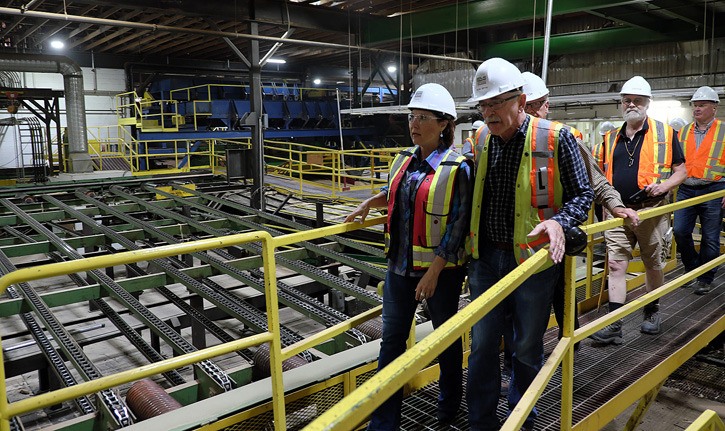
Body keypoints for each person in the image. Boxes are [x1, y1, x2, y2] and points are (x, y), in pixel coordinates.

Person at [466, 58, 593, 431]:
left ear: (520, 101)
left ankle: (522, 418)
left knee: (525, 347)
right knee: (482, 345)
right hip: (486, 258)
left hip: (533, 261)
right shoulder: (481, 139)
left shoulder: (556, 138)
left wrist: (559, 222)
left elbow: (582, 193)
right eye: (483, 105)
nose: (489, 113)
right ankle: (481, 422)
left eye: (497, 103)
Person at [345, 82, 472, 430]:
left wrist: (435, 269)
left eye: (422, 118)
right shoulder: (402, 159)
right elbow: (398, 192)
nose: (414, 124)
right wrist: (370, 202)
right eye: (411, 117)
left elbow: (459, 223)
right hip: (399, 269)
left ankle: (448, 412)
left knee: (446, 342)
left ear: (444, 123)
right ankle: (384, 422)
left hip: (441, 274)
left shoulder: (457, 167)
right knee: (391, 344)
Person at [521, 72, 640, 343]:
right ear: (525, 106)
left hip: (555, 234)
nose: (547, 108)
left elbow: (596, 180)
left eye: (545, 103)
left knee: (559, 294)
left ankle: (567, 347)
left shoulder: (562, 138)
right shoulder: (500, 141)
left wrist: (617, 207)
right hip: (516, 242)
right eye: (542, 103)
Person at [590, 75, 686, 344]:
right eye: (627, 100)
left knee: (652, 263)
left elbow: (682, 171)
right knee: (616, 263)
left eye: (637, 100)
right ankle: (614, 323)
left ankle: (652, 311)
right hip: (618, 212)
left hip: (651, 211)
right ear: (622, 104)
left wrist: (665, 185)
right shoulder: (610, 139)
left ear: (648, 103)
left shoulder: (666, 134)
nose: (632, 104)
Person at [673, 86, 725, 295]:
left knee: (710, 238)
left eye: (702, 105)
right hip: (686, 188)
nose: (697, 108)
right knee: (680, 231)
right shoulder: (684, 131)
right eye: (695, 105)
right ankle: (692, 268)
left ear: (714, 108)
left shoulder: (723, 130)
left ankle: (705, 277)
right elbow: (676, 161)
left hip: (714, 189)